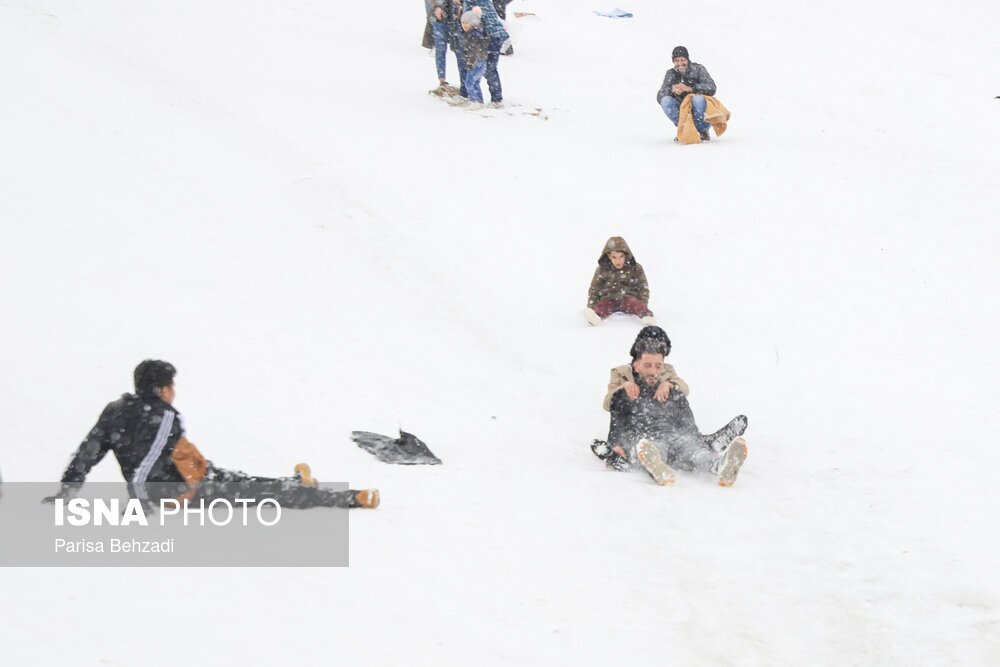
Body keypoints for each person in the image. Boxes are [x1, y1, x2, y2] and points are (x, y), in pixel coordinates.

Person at [45, 360, 379, 509]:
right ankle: (349, 499)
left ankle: (294, 482)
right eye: (171, 386)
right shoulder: (162, 416)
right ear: (162, 389)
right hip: (177, 489)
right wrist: (141, 502)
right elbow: (144, 465)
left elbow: (90, 450)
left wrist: (67, 489)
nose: (174, 392)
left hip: (183, 477)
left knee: (242, 483)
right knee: (257, 495)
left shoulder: (117, 408)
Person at [592, 331, 749, 486]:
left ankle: (718, 465)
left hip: (673, 434)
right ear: (636, 364)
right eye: (647, 365)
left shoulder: (669, 383)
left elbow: (684, 408)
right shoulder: (623, 385)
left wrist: (693, 438)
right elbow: (613, 411)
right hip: (644, 434)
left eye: (658, 366)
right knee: (650, 449)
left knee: (692, 450)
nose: (653, 371)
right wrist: (615, 444)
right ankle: (657, 467)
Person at [585, 236, 655, 326]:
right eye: (614, 257)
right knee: (602, 306)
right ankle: (594, 317)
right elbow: (594, 289)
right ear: (608, 256)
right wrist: (591, 307)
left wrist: (643, 304)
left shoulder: (635, 268)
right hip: (609, 298)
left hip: (628, 299)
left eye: (621, 256)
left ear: (626, 254)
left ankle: (646, 316)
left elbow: (643, 287)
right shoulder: (602, 270)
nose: (618, 261)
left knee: (635, 304)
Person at [656, 46, 717, 141]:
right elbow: (660, 95)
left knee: (697, 99)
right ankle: (685, 129)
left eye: (682, 60)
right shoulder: (671, 74)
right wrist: (672, 90)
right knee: (665, 100)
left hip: (699, 106)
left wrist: (691, 88)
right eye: (677, 60)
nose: (680, 63)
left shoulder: (698, 69)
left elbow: (711, 88)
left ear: (687, 59)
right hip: (682, 108)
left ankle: (702, 131)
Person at [462, 0, 509, 108]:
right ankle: (481, 99)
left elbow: (477, 19)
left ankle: (495, 100)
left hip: (491, 35)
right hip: (488, 35)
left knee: (489, 68)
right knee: (486, 68)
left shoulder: (472, 3)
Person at [454, 11, 490, 109]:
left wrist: (470, 62)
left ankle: (474, 101)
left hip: (476, 62)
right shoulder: (478, 32)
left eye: (467, 23)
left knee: (469, 82)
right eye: (463, 23)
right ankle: (479, 101)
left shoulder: (472, 35)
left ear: (473, 23)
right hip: (481, 61)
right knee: (475, 83)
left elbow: (473, 50)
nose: (464, 25)